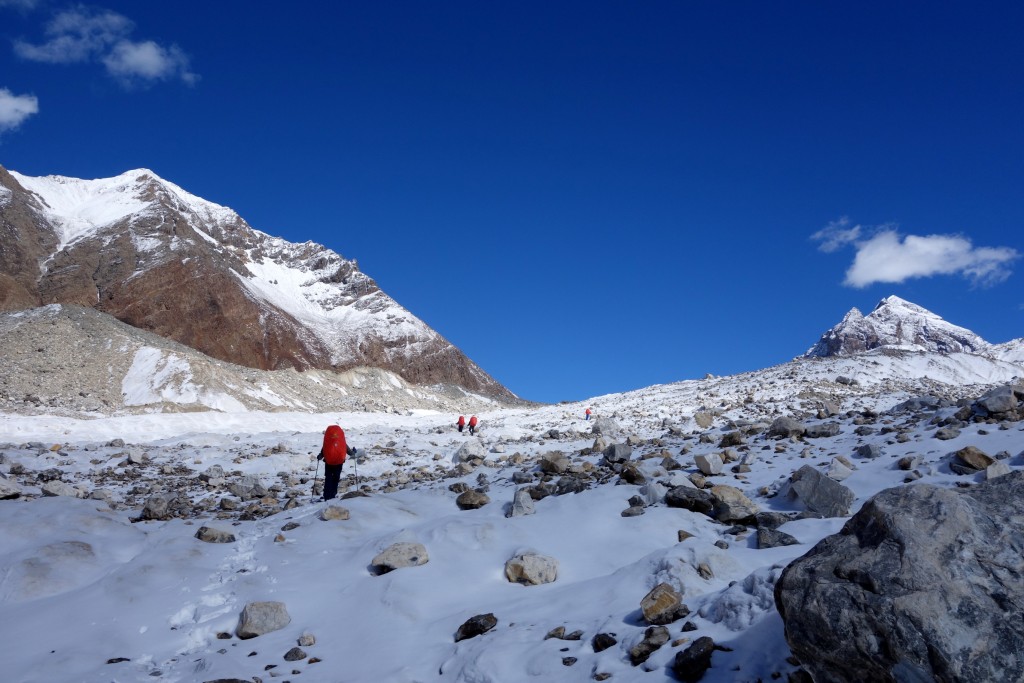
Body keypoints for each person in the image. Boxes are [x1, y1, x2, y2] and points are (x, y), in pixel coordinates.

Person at [317, 424, 356, 501]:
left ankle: (326, 496)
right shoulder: (341, 441)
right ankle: (333, 495)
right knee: (336, 478)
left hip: (328, 462)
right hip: (339, 462)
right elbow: (349, 451)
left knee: (328, 478)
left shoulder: (328, 441)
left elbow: (324, 450)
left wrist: (320, 456)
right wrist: (353, 453)